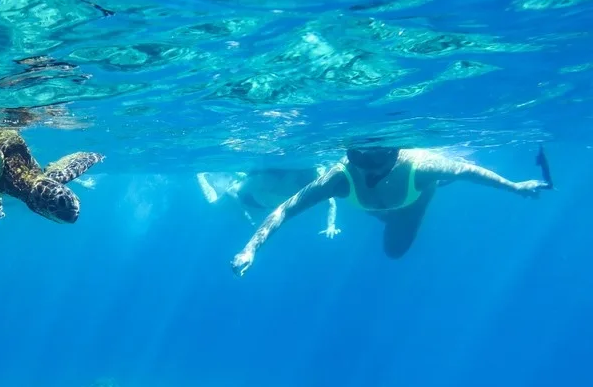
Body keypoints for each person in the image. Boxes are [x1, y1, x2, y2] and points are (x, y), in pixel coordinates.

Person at [230, 143, 552, 276]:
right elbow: (286, 209)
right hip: (379, 207)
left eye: (377, 161)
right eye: (359, 159)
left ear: (396, 154)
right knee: (386, 225)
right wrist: (250, 249)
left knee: (394, 250)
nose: (368, 170)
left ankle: (429, 195)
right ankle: (392, 210)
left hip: (413, 201)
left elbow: (465, 171)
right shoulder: (340, 178)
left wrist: (514, 186)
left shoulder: (420, 166)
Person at [198, 165, 342, 238]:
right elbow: (233, 192)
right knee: (221, 201)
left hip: (263, 203)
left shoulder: (318, 180)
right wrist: (245, 214)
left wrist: (331, 225)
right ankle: (212, 176)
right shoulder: (270, 179)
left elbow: (331, 203)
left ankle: (219, 178)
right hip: (260, 199)